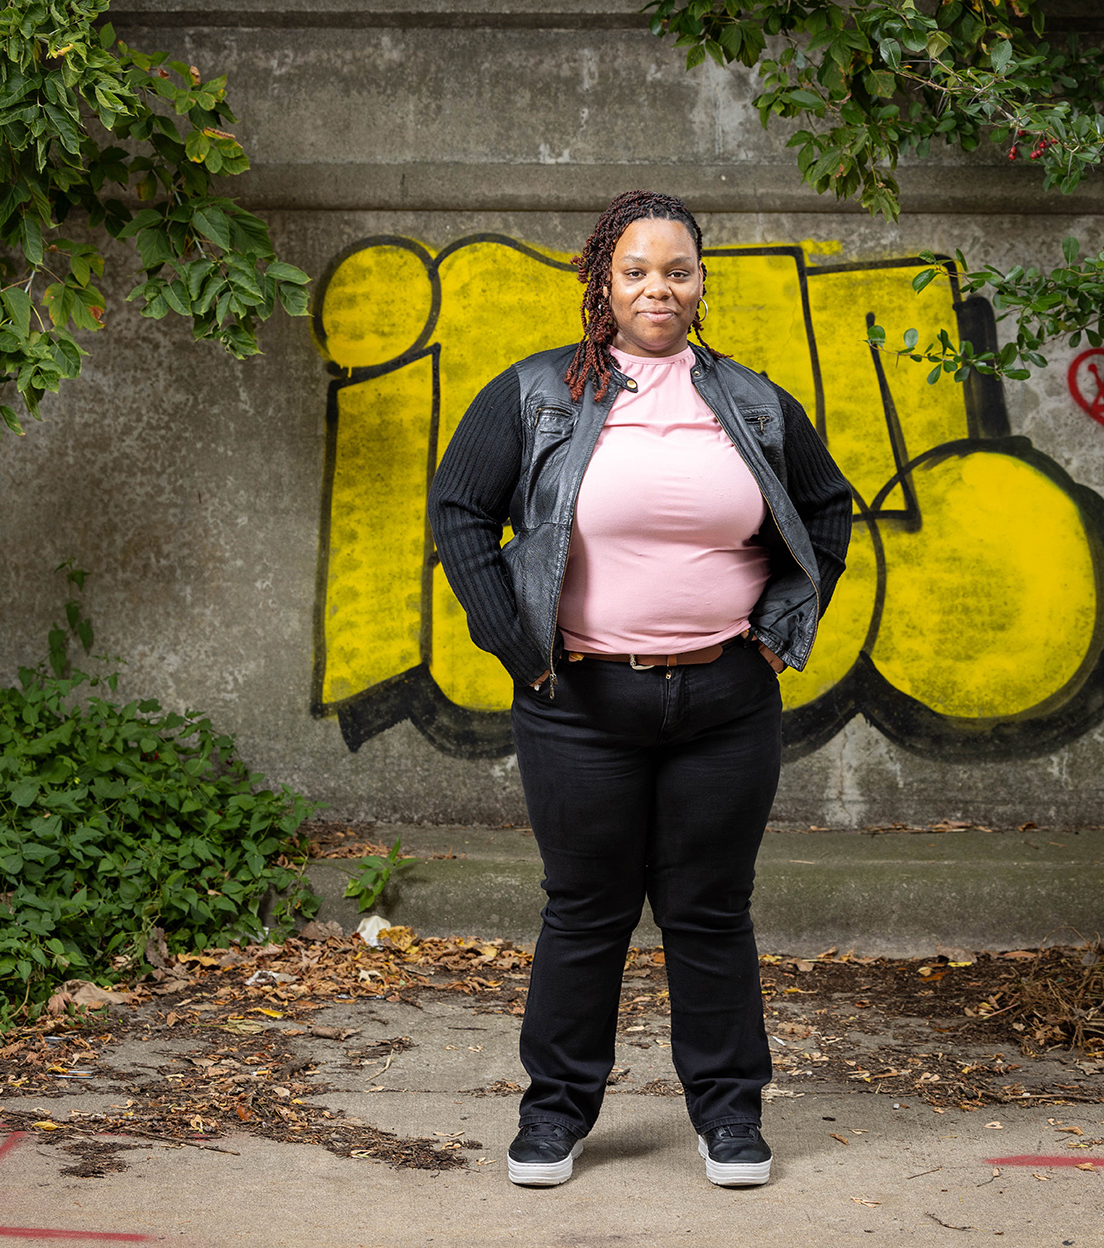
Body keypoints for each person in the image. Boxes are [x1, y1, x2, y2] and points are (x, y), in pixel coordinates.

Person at [427, 190, 853, 1188]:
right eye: (636, 271)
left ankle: (730, 1116)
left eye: (677, 271)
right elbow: (459, 513)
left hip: (726, 704)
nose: (658, 288)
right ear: (602, 283)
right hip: (580, 706)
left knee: (711, 910)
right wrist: (516, 645)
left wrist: (780, 633)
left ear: (701, 285)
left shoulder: (750, 401)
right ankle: (556, 1113)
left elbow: (828, 509)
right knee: (586, 910)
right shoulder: (538, 393)